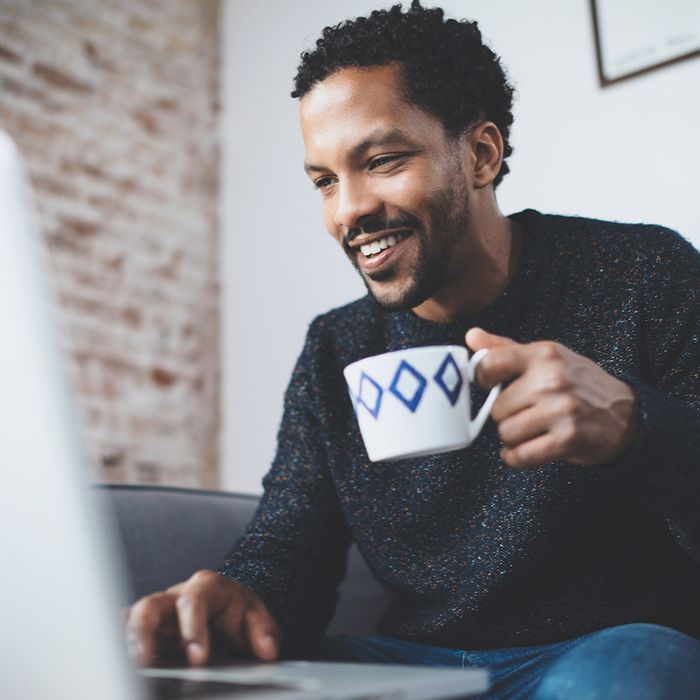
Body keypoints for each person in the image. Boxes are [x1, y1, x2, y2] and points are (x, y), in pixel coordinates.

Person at [126, 2, 700, 697]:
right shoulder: (335, 347)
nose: (348, 211)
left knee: (636, 670)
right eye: (325, 181)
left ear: (481, 154)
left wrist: (637, 427)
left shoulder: (643, 274)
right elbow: (292, 544)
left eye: (382, 161)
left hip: (599, 655)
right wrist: (242, 595)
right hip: (413, 665)